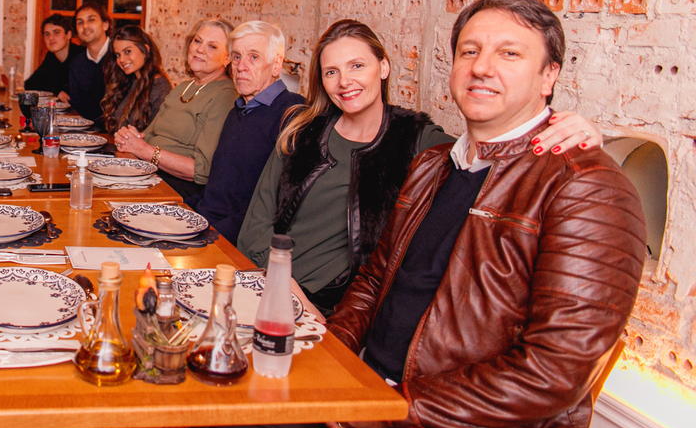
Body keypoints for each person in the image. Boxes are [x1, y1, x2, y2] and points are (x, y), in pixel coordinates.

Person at [184, 0, 646, 428]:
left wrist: (398, 405)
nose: (483, 67)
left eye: (510, 54)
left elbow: (554, 372)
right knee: (207, 424)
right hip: (375, 392)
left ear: (550, 77)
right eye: (469, 50)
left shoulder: (586, 186)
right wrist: (341, 370)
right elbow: (374, 278)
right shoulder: (434, 165)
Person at [237, 19, 604, 313]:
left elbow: (495, 161)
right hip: (267, 286)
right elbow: (255, 225)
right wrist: (283, 286)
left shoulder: (418, 141)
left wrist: (578, 133)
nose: (344, 81)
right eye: (331, 72)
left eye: (357, 65)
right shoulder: (302, 131)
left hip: (340, 311)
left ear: (383, 67)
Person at [192, 21, 304, 245]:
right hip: (205, 222)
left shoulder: (293, 114)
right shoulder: (240, 109)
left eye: (254, 57)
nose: (241, 66)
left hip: (234, 239)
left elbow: (273, 211)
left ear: (276, 65)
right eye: (236, 57)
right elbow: (217, 191)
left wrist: (207, 235)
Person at [114, 18, 238, 199]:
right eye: (197, 41)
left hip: (178, 190)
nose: (200, 49)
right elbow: (147, 137)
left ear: (227, 57)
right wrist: (128, 138)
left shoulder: (225, 95)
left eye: (212, 46)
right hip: (147, 175)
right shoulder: (183, 87)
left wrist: (145, 151)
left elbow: (202, 170)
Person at [100, 25, 172, 133]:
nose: (121, 60)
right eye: (118, 55)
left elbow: (157, 136)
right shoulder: (127, 81)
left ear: (145, 50)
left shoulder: (160, 87)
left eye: (127, 51)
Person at [63, 3, 113, 124]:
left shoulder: (120, 56)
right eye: (80, 22)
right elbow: (78, 107)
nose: (85, 26)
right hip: (90, 134)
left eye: (91, 20)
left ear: (105, 25)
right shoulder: (77, 64)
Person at [24, 13, 82, 95]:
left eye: (56, 32)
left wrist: (55, 89)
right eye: (47, 34)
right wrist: (57, 90)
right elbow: (30, 84)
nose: (50, 38)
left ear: (68, 35)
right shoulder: (51, 56)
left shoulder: (81, 56)